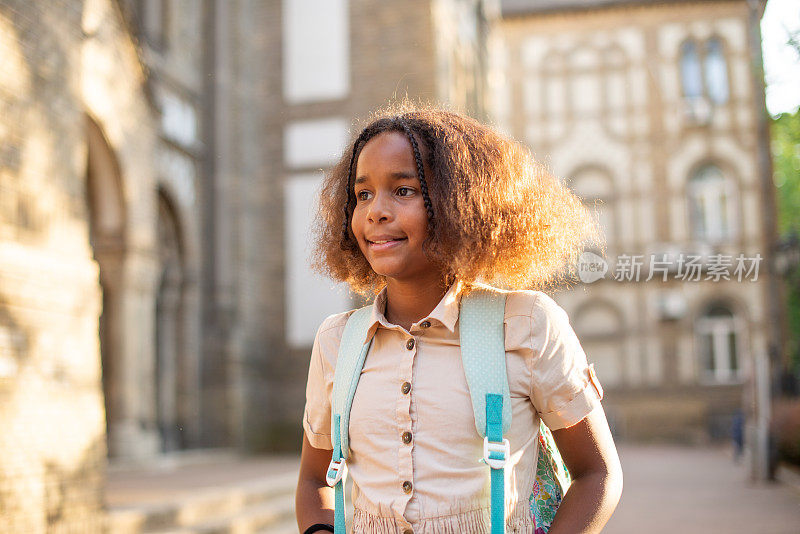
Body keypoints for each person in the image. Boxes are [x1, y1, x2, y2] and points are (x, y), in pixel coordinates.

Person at [295, 105, 623, 534]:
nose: (376, 211)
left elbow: (597, 474)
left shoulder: (526, 324)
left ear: (458, 204)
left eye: (404, 191)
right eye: (363, 195)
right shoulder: (338, 341)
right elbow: (314, 480)